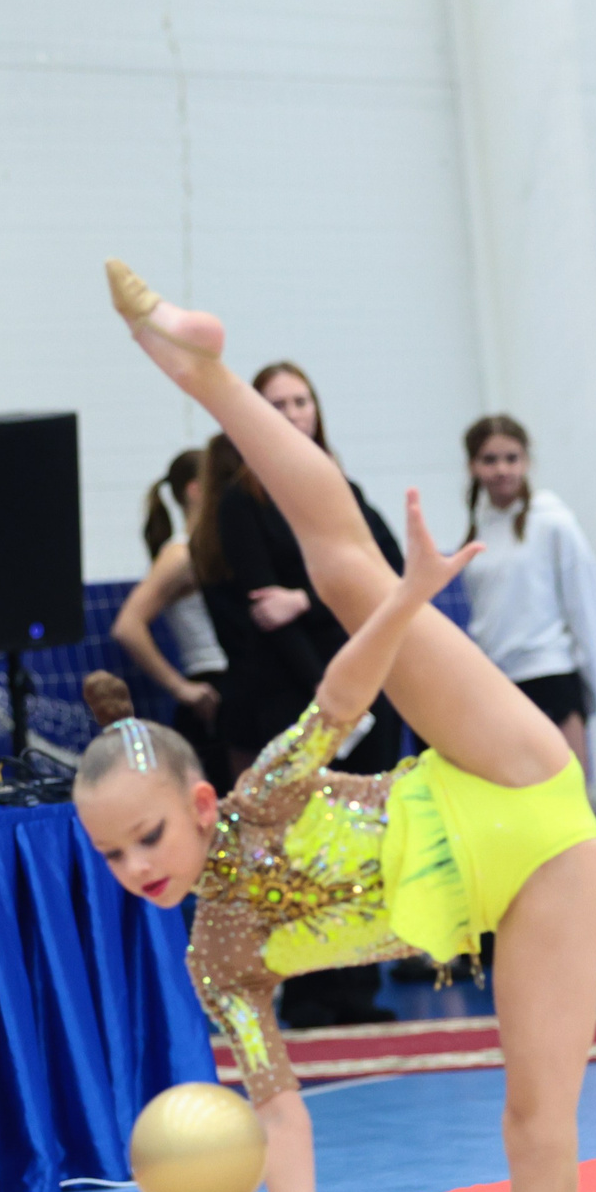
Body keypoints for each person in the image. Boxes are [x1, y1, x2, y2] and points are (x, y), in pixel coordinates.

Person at [76, 261, 596, 1192]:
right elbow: (280, 1109)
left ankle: (205, 371)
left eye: (150, 835)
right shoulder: (217, 955)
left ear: (201, 804)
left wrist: (410, 594)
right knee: (536, 1131)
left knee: (344, 567)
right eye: (112, 857)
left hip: (495, 775)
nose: (138, 867)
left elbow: (344, 689)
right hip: (533, 882)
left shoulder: (256, 802)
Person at [198, 360, 408, 1029]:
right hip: (298, 699)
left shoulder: (338, 485)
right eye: (277, 404)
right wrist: (332, 708)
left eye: (301, 401)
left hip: (360, 686)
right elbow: (265, 613)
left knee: (364, 846)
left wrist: (309, 601)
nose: (292, 415)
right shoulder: (243, 501)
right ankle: (314, 991)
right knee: (306, 849)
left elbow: (390, 575)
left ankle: (356, 987)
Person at [457, 414, 596, 765]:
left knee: (568, 804)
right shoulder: (477, 531)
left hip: (551, 676)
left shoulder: (553, 521)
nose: (501, 469)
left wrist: (593, 683)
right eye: (490, 460)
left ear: (526, 462)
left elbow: (585, 605)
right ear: (472, 467)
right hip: (499, 682)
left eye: (511, 458)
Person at [108, 449, 234, 790]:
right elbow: (127, 625)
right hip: (211, 687)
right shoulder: (181, 553)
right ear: (196, 490)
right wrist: (181, 688)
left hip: (230, 683)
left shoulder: (211, 547)